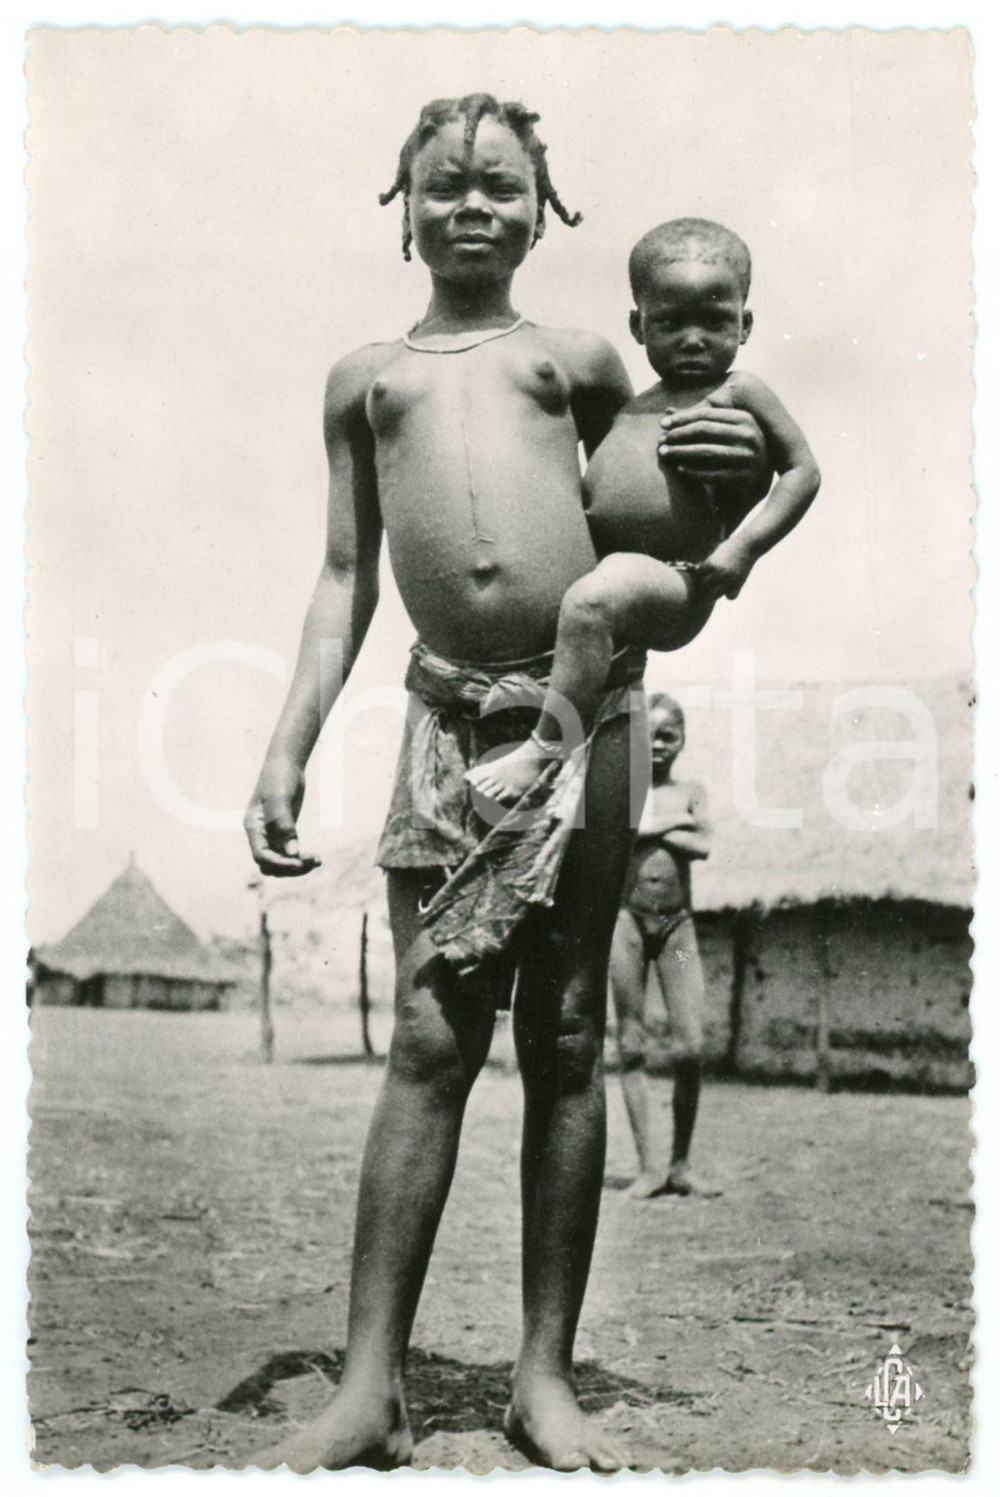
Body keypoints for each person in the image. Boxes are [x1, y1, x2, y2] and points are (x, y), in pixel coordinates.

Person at [243, 98, 770, 1472]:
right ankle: (369, 1385)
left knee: (572, 1034)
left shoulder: (582, 360)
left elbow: (659, 517)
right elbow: (348, 576)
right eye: (443, 186)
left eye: (498, 187)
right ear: (401, 204)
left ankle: (544, 1378)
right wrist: (287, 742)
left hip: (582, 710)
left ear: (547, 209)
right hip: (441, 720)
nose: (470, 207)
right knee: (429, 1039)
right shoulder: (367, 379)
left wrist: (727, 506)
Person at [466, 217, 821, 805]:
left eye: (715, 321)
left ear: (745, 324)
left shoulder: (740, 391)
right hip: (623, 576)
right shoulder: (633, 406)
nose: (693, 339)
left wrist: (743, 549)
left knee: (592, 600)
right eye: (671, 322)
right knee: (583, 599)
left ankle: (545, 749)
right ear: (638, 325)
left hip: (679, 577)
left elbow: (804, 472)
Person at [610, 693, 717, 1199]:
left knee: (691, 1045)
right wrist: (675, 823)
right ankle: (649, 1167)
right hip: (627, 926)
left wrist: (656, 829)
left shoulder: (692, 790)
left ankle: (681, 1164)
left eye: (667, 736)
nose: (656, 745)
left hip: (675, 931)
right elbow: (622, 834)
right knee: (631, 1043)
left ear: (682, 740)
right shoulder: (625, 790)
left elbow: (706, 845)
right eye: (648, 735)